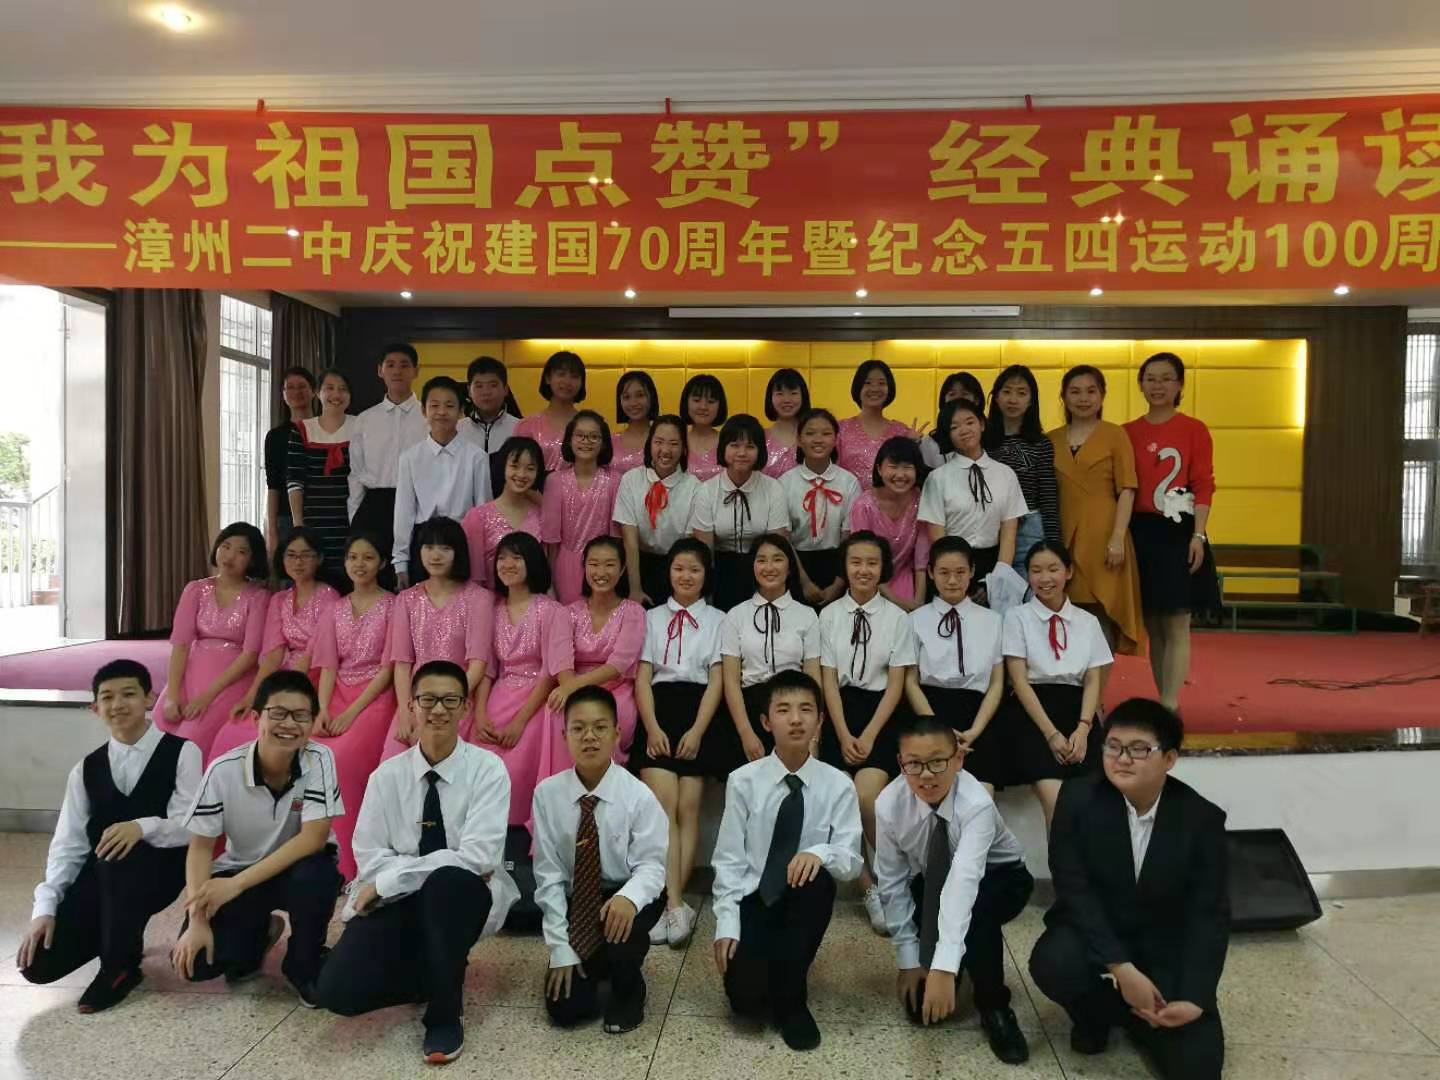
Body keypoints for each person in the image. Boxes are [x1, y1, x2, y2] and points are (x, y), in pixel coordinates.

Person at [316, 660, 517, 1066]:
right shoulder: (386, 777)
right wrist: (394, 882)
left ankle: (445, 1011)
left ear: (465, 708)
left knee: (448, 883)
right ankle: (434, 969)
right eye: (428, 700)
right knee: (336, 992)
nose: (438, 710)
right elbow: (370, 856)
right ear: (411, 706)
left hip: (463, 897)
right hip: (397, 900)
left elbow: (477, 859)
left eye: (450, 701)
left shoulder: (488, 770)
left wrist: (396, 877)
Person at [1029, 699, 1228, 1080]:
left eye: (1139, 749)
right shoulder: (1077, 799)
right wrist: (1120, 967)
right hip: (1099, 930)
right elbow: (1074, 889)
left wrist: (1196, 996)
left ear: (1169, 759)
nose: (1122, 759)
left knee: (1197, 1070)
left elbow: (1209, 915)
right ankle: (1100, 1015)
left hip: (1163, 945)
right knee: (1054, 962)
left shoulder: (1201, 819)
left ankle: (1143, 1015)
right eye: (1113, 747)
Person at [17, 659, 202, 1013]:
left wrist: (142, 826)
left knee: (121, 859)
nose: (118, 704)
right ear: (95, 708)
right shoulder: (85, 769)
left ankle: (120, 967)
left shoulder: (183, 752)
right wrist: (45, 908)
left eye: (129, 694)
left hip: (162, 872)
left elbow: (192, 825)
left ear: (150, 699)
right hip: (102, 876)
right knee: (37, 965)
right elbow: (68, 846)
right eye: (107, 697)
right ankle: (115, 933)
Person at [170, 670, 343, 1006]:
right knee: (197, 964)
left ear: (312, 722)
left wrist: (235, 886)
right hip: (242, 870)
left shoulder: (319, 759)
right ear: (255, 717)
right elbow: (200, 848)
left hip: (298, 869)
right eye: (278, 713)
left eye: (300, 716)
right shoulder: (223, 770)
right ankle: (261, 932)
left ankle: (304, 963)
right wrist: (197, 920)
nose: (289, 724)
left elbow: (313, 839)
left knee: (317, 875)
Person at [712, 670, 863, 1051]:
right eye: (784, 710)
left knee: (818, 878)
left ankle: (793, 1001)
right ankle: (774, 975)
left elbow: (851, 862)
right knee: (746, 1002)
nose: (796, 719)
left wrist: (818, 852)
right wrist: (726, 923)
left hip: (802, 899)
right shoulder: (743, 781)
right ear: (766, 722)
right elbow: (728, 859)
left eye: (806, 710)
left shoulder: (839, 784)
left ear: (820, 720)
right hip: (755, 897)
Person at [874, 715, 1034, 1065]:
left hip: (1002, 876)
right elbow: (892, 880)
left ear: (958, 759)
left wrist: (944, 968)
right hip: (934, 877)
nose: (926, 775)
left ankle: (994, 1005)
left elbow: (965, 880)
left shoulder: (976, 803)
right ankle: (955, 960)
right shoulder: (888, 804)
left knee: (977, 911)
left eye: (937, 761)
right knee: (920, 1010)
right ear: (901, 763)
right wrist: (909, 959)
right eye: (914, 764)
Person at [534, 687, 668, 1034]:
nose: (589, 737)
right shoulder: (547, 794)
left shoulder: (638, 795)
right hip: (578, 899)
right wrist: (560, 949)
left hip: (626, 892)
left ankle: (629, 990)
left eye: (599, 727)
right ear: (564, 736)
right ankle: (596, 961)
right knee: (566, 1010)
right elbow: (548, 876)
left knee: (621, 934)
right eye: (578, 728)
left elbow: (653, 867)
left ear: (616, 734)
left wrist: (628, 898)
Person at [817, 532, 915, 935]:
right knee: (840, 800)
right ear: (845, 566)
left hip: (882, 715)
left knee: (867, 797)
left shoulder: (898, 618)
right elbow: (827, 681)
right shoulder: (828, 616)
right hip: (839, 713)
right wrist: (842, 734)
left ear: (883, 568)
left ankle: (894, 881)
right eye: (856, 562)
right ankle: (869, 888)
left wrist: (871, 734)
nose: (863, 570)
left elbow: (896, 683)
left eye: (872, 563)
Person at [631, 539, 726, 946]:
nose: (686, 576)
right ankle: (673, 904)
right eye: (679, 568)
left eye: (695, 569)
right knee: (662, 808)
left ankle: (674, 904)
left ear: (706, 576)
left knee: (689, 809)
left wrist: (699, 731)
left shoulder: (720, 619)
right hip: (660, 710)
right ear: (668, 572)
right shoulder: (650, 617)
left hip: (700, 713)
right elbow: (642, 677)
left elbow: (718, 680)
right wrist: (652, 728)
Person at [1124, 353, 1221, 712]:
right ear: (1140, 384)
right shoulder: (1127, 432)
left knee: (1178, 622)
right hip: (1140, 532)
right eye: (1151, 378)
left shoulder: (1194, 429)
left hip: (1180, 531)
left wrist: (1199, 535)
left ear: (1180, 384)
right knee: (1154, 625)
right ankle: (1164, 699)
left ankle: (1169, 703)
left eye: (1166, 378)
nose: (1158, 385)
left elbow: (1204, 484)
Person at [1002, 541, 1114, 825]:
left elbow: (1093, 678)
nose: (1045, 578)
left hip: (1078, 713)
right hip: (1033, 714)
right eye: (1036, 570)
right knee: (1057, 802)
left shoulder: (1087, 621)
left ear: (1069, 572)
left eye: (1053, 569)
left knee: (1092, 805)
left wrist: (1084, 728)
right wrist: (1051, 735)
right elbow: (1019, 681)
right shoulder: (1017, 617)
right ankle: (1061, 859)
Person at [207, 527, 339, 763]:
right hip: (283, 674)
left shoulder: (329, 596)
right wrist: (252, 696)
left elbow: (314, 651)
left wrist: (284, 687)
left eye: (305, 555)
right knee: (234, 730)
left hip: (317, 674)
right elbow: (273, 655)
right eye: (291, 555)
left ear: (318, 559)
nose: (298, 562)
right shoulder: (279, 599)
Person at [311, 533, 397, 881]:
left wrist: (351, 712)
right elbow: (328, 665)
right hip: (336, 693)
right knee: (310, 755)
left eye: (368, 557)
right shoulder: (334, 609)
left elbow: (389, 668)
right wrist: (322, 709)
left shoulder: (393, 606)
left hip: (375, 696)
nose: (359, 564)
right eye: (353, 557)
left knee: (342, 761)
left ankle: (350, 864)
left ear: (383, 563)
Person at [1050, 366, 1146, 667]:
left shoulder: (1115, 435)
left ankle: (1097, 692)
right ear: (1063, 397)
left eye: (1091, 391)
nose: (1083, 398)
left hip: (1104, 536)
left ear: (1102, 396)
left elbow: (1127, 489)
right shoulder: (1050, 439)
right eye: (1075, 391)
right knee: (1065, 615)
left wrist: (1117, 537)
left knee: (1101, 614)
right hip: (1062, 535)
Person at [476, 531, 572, 826]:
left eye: (516, 557)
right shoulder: (491, 610)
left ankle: (520, 833)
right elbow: (487, 668)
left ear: (532, 562)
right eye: (502, 558)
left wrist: (520, 721)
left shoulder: (552, 610)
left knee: (514, 770)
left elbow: (550, 672)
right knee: (479, 764)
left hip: (536, 701)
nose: (507, 564)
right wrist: (480, 713)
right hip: (499, 695)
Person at [153, 523, 270, 761]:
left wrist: (207, 697)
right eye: (225, 546)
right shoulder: (196, 589)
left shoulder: (259, 596)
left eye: (241, 551)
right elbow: (181, 645)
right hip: (193, 671)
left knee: (190, 740)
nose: (230, 556)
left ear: (252, 559)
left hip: (232, 678)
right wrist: (173, 694)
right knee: (157, 730)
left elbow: (250, 655)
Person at [382, 516, 493, 757]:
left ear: (458, 552)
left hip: (460, 701)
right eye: (429, 547)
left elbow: (478, 665)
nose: (435, 555)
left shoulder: (479, 598)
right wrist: (407, 713)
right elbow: (402, 664)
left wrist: (447, 702)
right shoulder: (406, 599)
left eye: (445, 548)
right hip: (417, 701)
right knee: (394, 761)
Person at [904, 538, 1007, 791]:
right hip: (929, 714)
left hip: (979, 717)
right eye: (944, 573)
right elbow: (910, 682)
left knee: (982, 795)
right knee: (931, 791)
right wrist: (939, 730)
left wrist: (975, 730)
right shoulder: (915, 620)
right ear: (930, 573)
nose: (952, 581)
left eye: (960, 572)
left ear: (972, 572)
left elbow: (996, 683)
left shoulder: (993, 620)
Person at [719, 534, 821, 772]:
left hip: (795, 709)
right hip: (749, 710)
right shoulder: (735, 615)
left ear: (790, 567)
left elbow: (814, 678)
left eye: (777, 559)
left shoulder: (807, 615)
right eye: (761, 560)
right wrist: (746, 733)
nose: (769, 567)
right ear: (752, 566)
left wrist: (814, 737)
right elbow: (731, 681)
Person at [547, 535, 646, 766]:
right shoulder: (567, 612)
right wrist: (571, 689)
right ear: (584, 567)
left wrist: (573, 688)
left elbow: (618, 665)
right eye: (594, 564)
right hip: (573, 685)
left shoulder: (633, 612)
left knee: (610, 718)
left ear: (622, 569)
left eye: (609, 565)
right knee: (556, 713)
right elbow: (562, 662)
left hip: (616, 688)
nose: (601, 572)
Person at [393, 375, 491, 588]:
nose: (441, 412)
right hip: (425, 542)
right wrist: (400, 561)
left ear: (461, 411)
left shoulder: (477, 457)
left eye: (449, 406)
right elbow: (404, 512)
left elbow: (483, 514)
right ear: (423, 410)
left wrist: (481, 564)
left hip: (462, 541)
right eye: (434, 405)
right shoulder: (410, 458)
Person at [919, 399, 1029, 582]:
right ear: (948, 434)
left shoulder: (1006, 474)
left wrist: (997, 578)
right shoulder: (937, 478)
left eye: (970, 422)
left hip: (994, 564)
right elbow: (938, 538)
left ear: (982, 424)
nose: (964, 430)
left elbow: (1009, 533)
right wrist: (954, 575)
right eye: (954, 427)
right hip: (952, 568)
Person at [691, 413, 789, 611]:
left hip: (763, 569)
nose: (742, 453)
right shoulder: (707, 491)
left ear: (760, 451)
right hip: (720, 571)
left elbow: (777, 546)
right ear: (723, 448)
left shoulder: (773, 489)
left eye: (750, 446)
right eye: (734, 445)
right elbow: (705, 553)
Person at [348, 343, 427, 586]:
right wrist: (355, 517)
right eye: (390, 365)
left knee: (416, 577)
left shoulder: (428, 416)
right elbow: (356, 473)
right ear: (380, 370)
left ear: (416, 370)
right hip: (376, 505)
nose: (397, 371)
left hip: (419, 503)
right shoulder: (365, 419)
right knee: (375, 581)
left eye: (404, 365)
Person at [613, 414, 700, 608]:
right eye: (658, 442)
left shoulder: (695, 487)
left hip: (676, 567)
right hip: (637, 565)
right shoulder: (631, 480)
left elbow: (688, 543)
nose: (665, 450)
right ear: (649, 444)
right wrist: (635, 588)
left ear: (684, 449)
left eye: (674, 444)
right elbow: (630, 538)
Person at [779, 407, 860, 605]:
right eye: (810, 433)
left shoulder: (849, 482)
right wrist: (804, 582)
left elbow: (849, 537)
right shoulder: (784, 483)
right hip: (796, 565)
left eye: (826, 433)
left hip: (839, 565)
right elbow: (783, 538)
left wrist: (839, 584)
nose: (818, 439)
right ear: (799, 440)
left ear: (836, 440)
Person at [542, 409, 621, 605]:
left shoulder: (615, 480)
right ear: (569, 440)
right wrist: (549, 582)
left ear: (604, 443)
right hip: (564, 564)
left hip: (603, 565)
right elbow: (551, 540)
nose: (586, 441)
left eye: (594, 436)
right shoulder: (555, 481)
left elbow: (616, 536)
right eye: (580, 435)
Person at [987, 365, 1062, 568]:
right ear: (996, 397)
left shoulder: (1041, 443)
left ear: (1031, 401)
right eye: (1007, 391)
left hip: (1029, 528)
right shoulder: (982, 441)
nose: (1013, 399)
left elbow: (1048, 496)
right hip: (989, 528)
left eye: (1021, 393)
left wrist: (1054, 545)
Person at [287, 367, 355, 584]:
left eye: (343, 389)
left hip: (349, 521)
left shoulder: (360, 426)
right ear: (318, 393)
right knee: (314, 582)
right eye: (329, 388)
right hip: (313, 521)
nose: (336, 394)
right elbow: (295, 481)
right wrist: (299, 525)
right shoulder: (302, 429)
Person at [846, 436, 931, 610]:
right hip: (869, 578)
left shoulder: (921, 500)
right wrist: (898, 603)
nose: (900, 475)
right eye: (893, 467)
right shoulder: (864, 505)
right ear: (879, 469)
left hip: (907, 577)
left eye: (907, 468)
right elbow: (862, 555)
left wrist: (919, 603)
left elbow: (921, 559)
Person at [461, 435, 545, 590]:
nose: (521, 474)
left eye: (530, 468)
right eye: (515, 466)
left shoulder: (542, 516)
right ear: (503, 466)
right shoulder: (478, 517)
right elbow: (474, 580)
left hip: (531, 601)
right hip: (488, 601)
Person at [837, 359, 913, 489]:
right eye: (868, 383)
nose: (875, 388)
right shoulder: (840, 429)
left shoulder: (902, 431)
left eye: (881, 383)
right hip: (847, 500)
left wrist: (914, 444)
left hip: (890, 501)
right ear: (858, 387)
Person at [266, 366, 315, 556]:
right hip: (286, 517)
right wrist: (272, 530)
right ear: (284, 394)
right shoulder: (275, 436)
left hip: (321, 512)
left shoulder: (325, 428)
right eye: (290, 387)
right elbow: (273, 485)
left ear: (313, 392)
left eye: (302, 386)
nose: (296, 392)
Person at [516, 350, 585, 472]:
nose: (567, 381)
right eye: (561, 374)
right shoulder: (527, 426)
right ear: (548, 378)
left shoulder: (589, 426)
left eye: (574, 376)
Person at [921, 371, 985, 470]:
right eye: (952, 394)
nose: (957, 399)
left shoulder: (991, 438)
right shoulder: (929, 443)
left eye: (964, 394)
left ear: (977, 400)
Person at [460, 355, 520, 455]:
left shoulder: (520, 428)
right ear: (469, 391)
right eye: (479, 386)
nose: (486, 392)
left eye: (493, 385)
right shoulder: (457, 430)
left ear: (505, 389)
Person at [762, 367, 810, 478]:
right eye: (780, 394)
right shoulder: (760, 437)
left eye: (793, 393)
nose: (787, 400)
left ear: (803, 397)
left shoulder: (813, 437)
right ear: (770, 397)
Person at [679, 373, 726, 482]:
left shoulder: (728, 442)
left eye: (711, 402)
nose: (703, 407)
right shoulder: (677, 441)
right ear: (686, 402)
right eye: (696, 400)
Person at [612, 370, 660, 475]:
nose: (633, 403)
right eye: (626, 397)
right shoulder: (610, 442)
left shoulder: (663, 440)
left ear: (651, 397)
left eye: (640, 395)